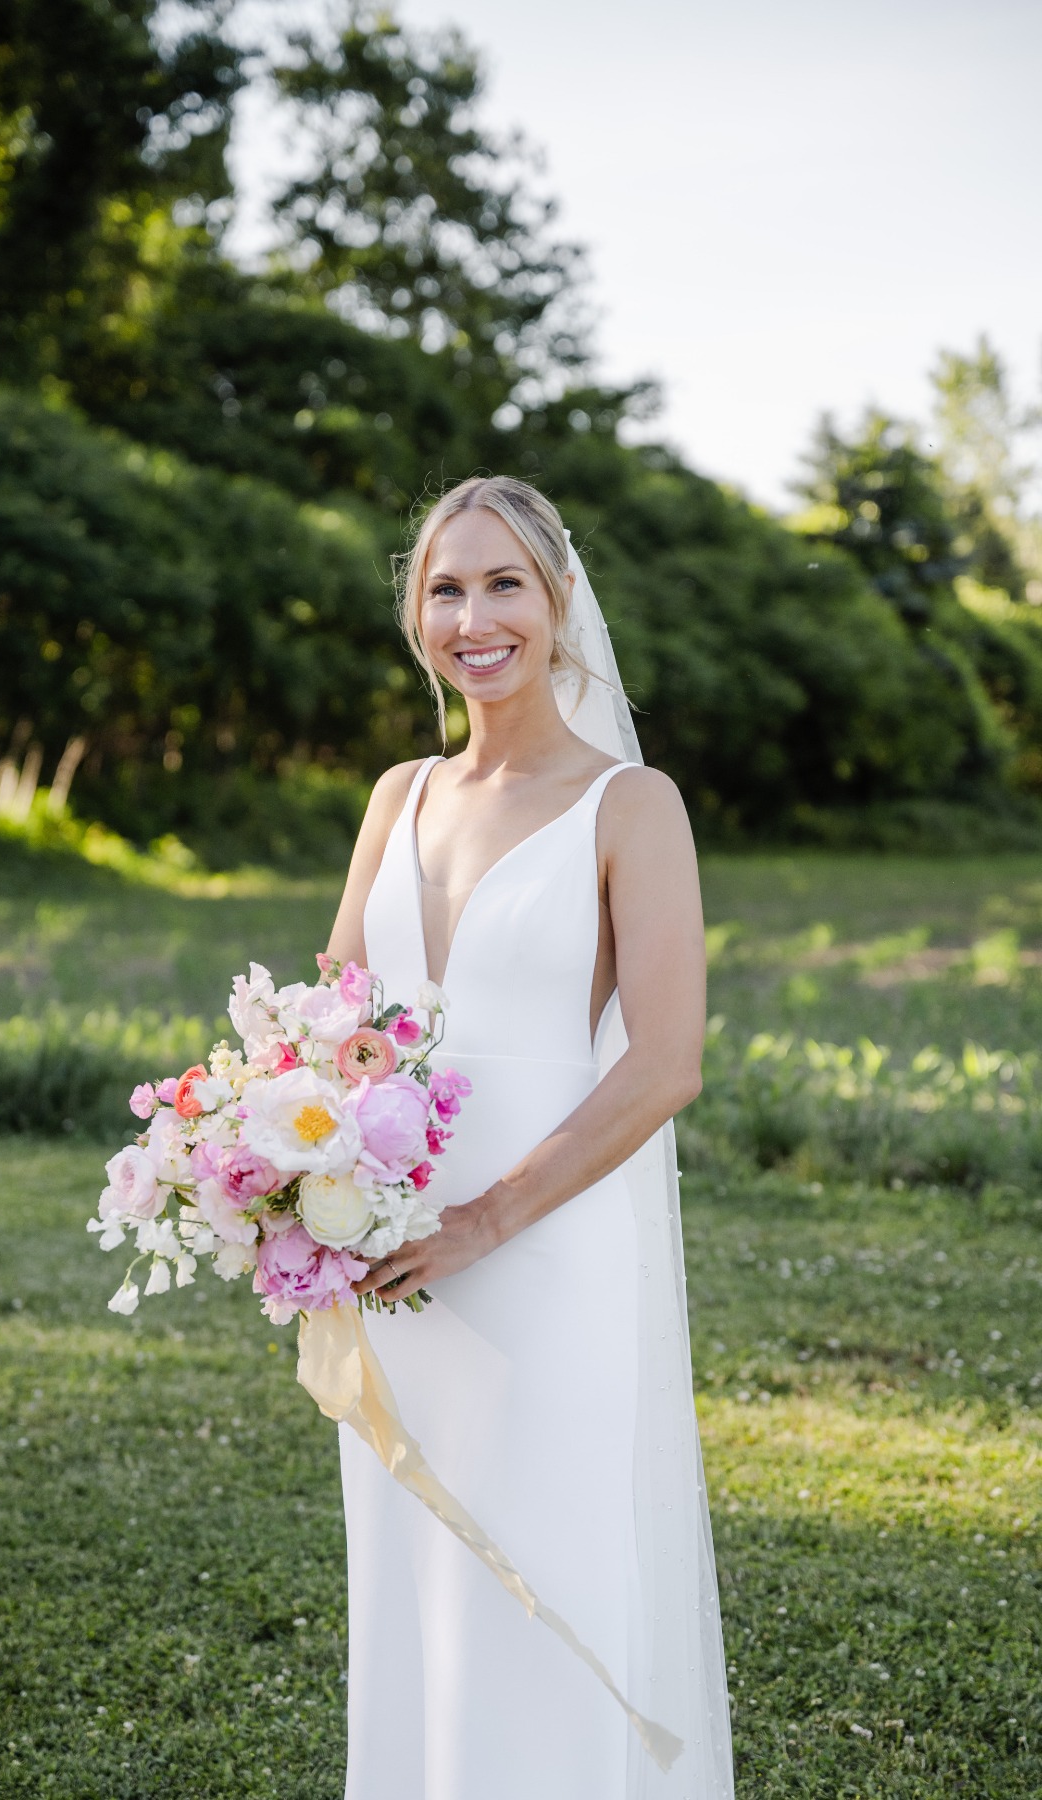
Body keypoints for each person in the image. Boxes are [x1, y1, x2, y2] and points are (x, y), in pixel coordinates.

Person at [326, 475, 734, 1799]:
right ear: (417, 615)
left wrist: (485, 1219)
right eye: (447, 587)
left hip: (542, 1252)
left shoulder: (632, 805)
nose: (475, 614)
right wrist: (266, 1163)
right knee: (418, 1583)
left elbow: (665, 1062)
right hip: (389, 1267)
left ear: (559, 602)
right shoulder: (398, 794)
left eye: (505, 583)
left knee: (546, 1574)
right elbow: (335, 1020)